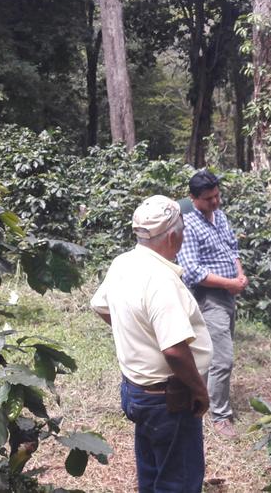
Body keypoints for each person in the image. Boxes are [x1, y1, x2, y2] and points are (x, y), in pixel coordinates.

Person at [91, 195, 212, 492]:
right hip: (167, 398)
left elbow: (102, 306)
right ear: (173, 235)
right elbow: (174, 349)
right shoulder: (161, 280)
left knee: (153, 471)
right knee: (178, 481)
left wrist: (139, 334)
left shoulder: (124, 263)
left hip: (137, 391)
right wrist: (199, 390)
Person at [177, 169, 247, 439]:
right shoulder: (188, 225)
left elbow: (232, 248)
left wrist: (239, 275)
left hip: (228, 294)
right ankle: (220, 416)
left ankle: (201, 401)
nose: (215, 202)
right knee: (222, 358)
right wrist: (229, 284)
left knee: (216, 352)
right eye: (209, 199)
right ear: (193, 198)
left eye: (217, 196)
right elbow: (192, 270)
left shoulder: (219, 215)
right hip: (210, 297)